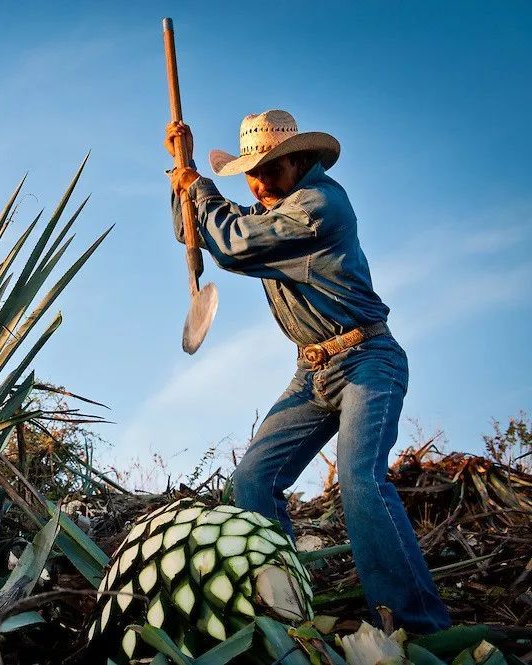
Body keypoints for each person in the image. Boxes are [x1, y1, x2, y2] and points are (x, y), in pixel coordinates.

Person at [165, 110, 450, 633]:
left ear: (300, 160)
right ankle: (287, 607)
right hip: (310, 369)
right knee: (253, 479)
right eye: (251, 172)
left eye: (271, 169)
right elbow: (198, 231)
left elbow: (231, 244)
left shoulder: (321, 206)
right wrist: (179, 173)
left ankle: (417, 622)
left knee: (360, 478)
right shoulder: (269, 208)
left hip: (367, 358)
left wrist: (201, 189)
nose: (259, 181)